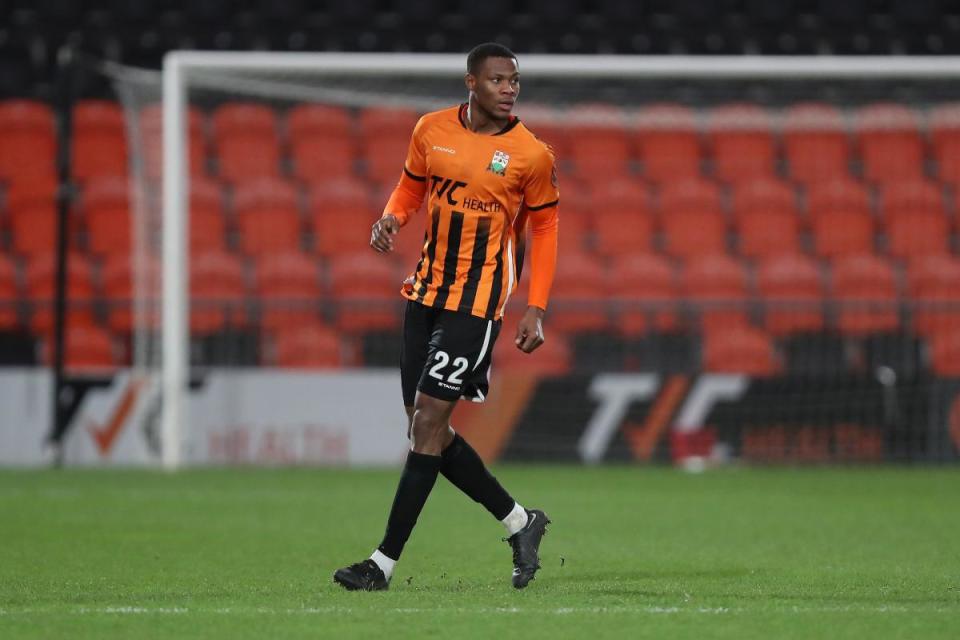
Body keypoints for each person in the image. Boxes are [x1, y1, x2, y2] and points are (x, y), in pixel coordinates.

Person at [333, 43, 560, 591]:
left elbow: (546, 230)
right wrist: (391, 217)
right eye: (499, 80)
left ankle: (381, 564)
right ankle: (520, 522)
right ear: (471, 82)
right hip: (426, 291)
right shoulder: (430, 129)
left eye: (515, 81)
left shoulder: (532, 155)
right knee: (423, 426)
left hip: (476, 302)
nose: (509, 89)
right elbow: (412, 187)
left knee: (429, 423)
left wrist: (536, 306)